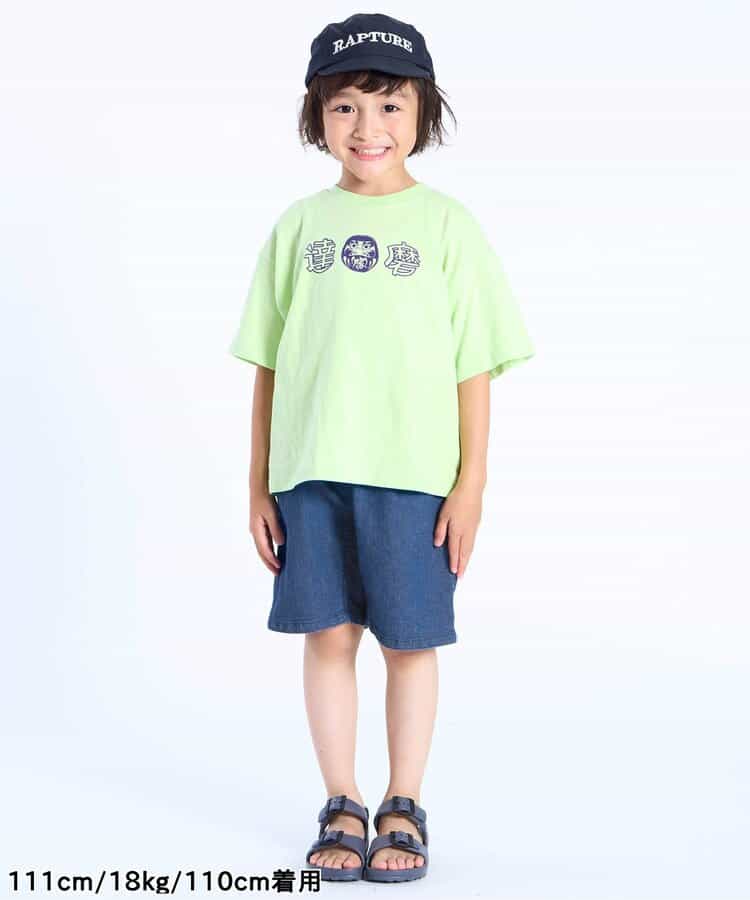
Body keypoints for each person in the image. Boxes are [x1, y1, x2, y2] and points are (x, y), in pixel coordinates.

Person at [229, 13, 536, 883]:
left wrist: (471, 484)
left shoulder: (447, 227)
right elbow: (269, 364)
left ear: (424, 112)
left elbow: (475, 363)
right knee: (328, 637)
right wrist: (257, 482)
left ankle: (405, 802)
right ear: (316, 116)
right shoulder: (299, 227)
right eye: (345, 107)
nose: (368, 128)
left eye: (391, 105)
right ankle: (342, 798)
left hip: (414, 477)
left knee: (407, 642)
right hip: (311, 474)